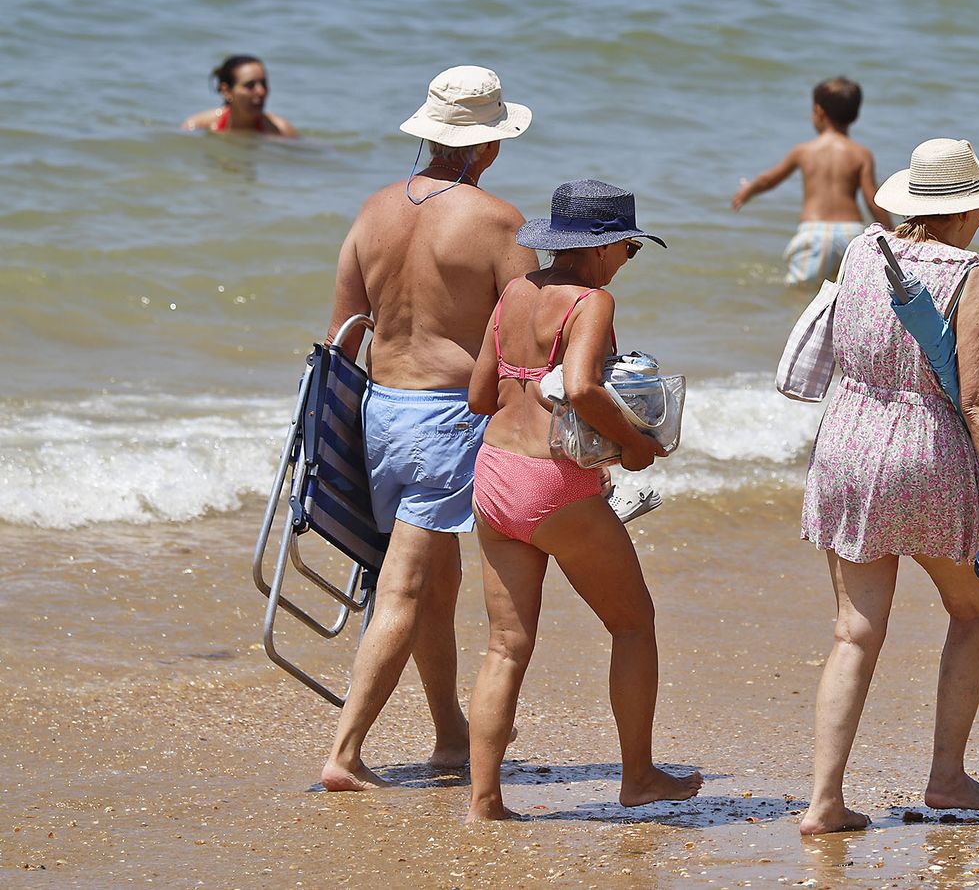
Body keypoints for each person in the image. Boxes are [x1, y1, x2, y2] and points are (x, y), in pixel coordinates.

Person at [796, 137, 979, 835]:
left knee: (855, 630)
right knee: (972, 611)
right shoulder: (970, 272)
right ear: (969, 208)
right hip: (928, 456)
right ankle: (947, 776)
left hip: (846, 445)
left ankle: (824, 801)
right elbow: (974, 398)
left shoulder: (860, 251)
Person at [319, 66, 538, 791]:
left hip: (381, 413)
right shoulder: (498, 221)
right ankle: (345, 751)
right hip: (447, 419)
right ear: (489, 145)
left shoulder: (372, 211)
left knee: (437, 579)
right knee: (408, 587)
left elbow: (341, 340)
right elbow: (528, 341)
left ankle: (449, 733)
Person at [464, 179, 703, 820]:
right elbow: (583, 388)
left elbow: (480, 395)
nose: (628, 261)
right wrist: (634, 446)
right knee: (634, 626)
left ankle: (484, 800)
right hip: (555, 482)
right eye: (629, 248)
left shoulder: (515, 291)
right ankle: (639, 778)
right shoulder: (591, 301)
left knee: (505, 646)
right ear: (603, 248)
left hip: (493, 474)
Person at [731, 77, 892, 285]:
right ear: (855, 115)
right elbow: (872, 199)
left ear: (818, 112)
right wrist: (890, 234)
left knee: (802, 293)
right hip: (851, 233)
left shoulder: (804, 151)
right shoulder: (861, 154)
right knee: (842, 291)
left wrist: (748, 191)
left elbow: (769, 179)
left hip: (815, 233)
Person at [182, 55, 297, 135]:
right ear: (226, 91)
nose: (261, 91)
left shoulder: (280, 131)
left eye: (263, 83)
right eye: (250, 85)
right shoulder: (198, 126)